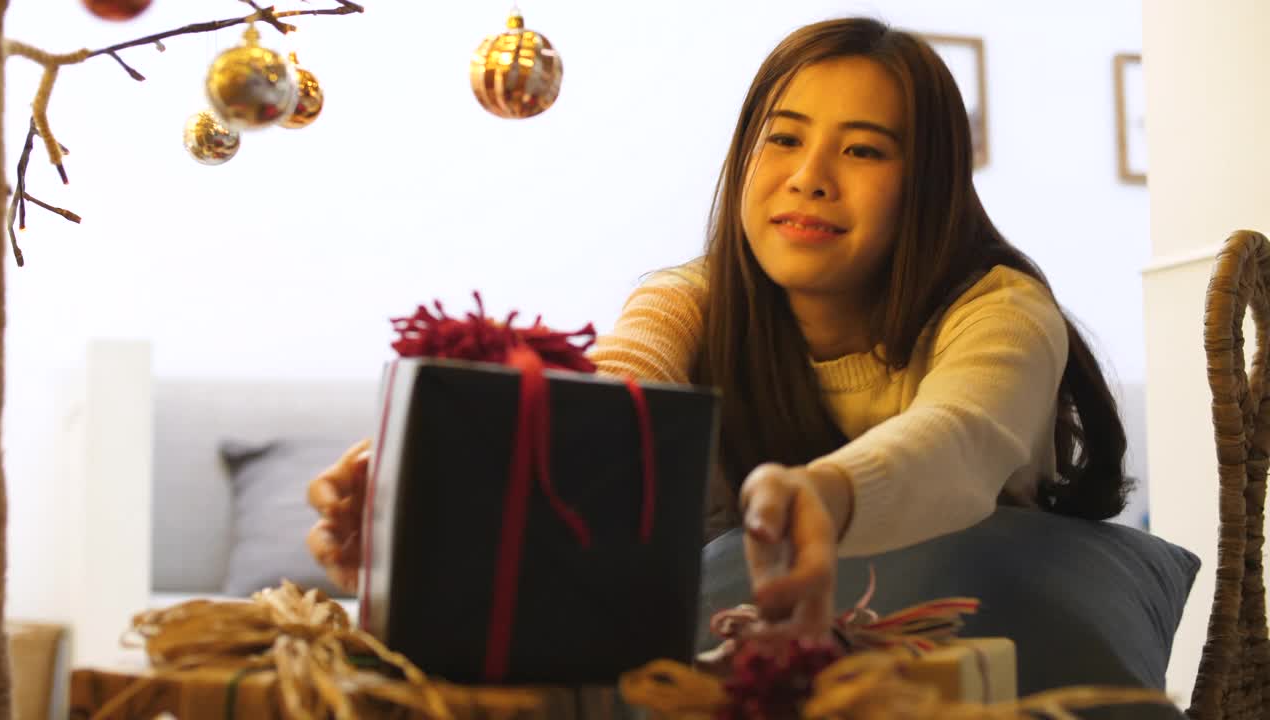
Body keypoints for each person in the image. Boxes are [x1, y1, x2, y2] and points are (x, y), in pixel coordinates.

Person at [306, 16, 1130, 636]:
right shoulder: (687, 301)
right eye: (785, 138)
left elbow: (958, 438)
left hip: (996, 643)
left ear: (931, 186)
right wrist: (434, 505)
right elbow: (607, 407)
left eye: (864, 151)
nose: (808, 179)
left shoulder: (998, 310)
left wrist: (827, 494)